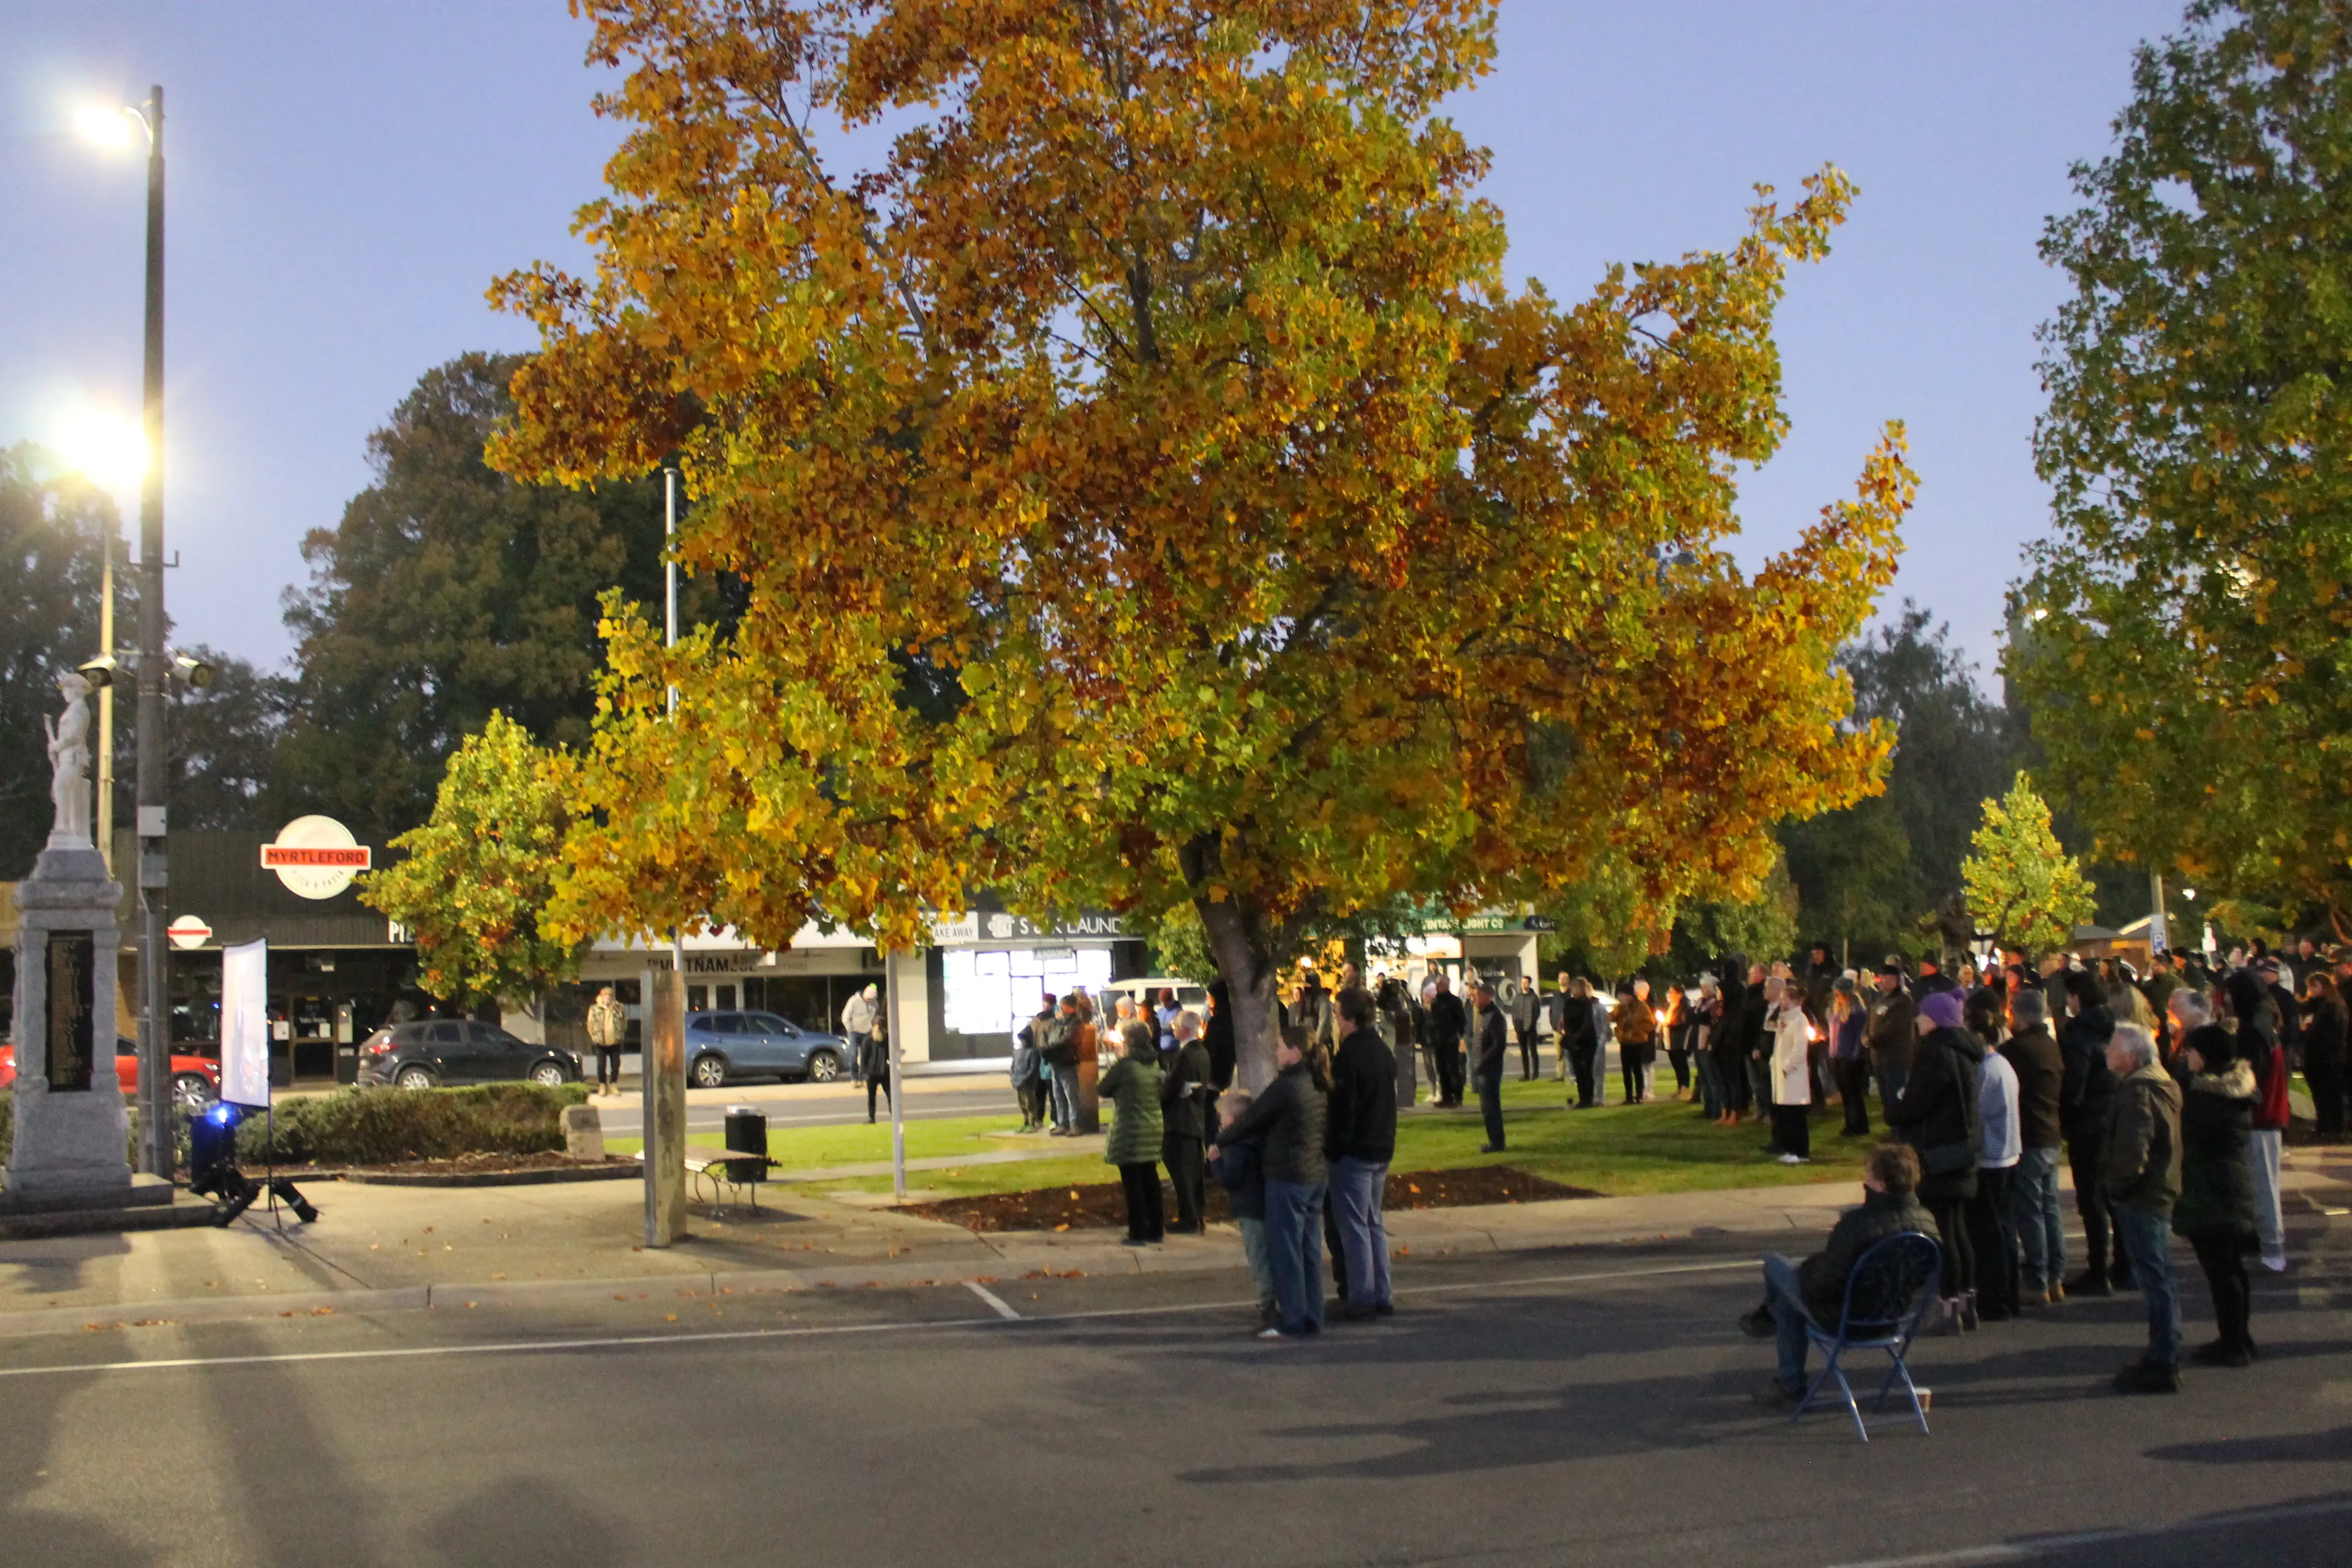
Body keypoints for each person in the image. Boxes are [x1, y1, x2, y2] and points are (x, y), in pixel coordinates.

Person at [1741, 1143, 1935, 1409]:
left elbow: (1822, 1285)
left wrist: (1805, 1271)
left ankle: (1782, 1360)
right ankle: (1774, 1324)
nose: (1864, 1181)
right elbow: (1923, 1276)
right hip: (1894, 1317)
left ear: (1880, 1184)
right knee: (1789, 1297)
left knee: (1777, 1268)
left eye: (1868, 1175)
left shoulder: (1857, 1226)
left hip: (1846, 1318)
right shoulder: (1928, 1224)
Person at [1214, 1025, 1329, 1338]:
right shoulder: (1317, 1083)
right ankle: (1312, 1316)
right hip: (1314, 1173)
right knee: (1308, 1249)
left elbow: (1251, 1120)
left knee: (1287, 1252)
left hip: (1288, 1176)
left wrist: (1221, 1142)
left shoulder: (1287, 1087)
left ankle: (1292, 1320)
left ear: (1295, 1052)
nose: (1277, 1052)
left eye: (1280, 1047)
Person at [1887, 989, 1983, 1331]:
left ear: (1936, 1020)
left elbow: (1917, 1104)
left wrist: (1895, 1109)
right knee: (1959, 1229)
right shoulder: (1967, 1053)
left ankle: (1949, 1308)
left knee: (1944, 1234)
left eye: (1923, 1015)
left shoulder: (1936, 1055)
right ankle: (1969, 1302)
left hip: (1938, 1152)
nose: (1918, 1020)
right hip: (1963, 1149)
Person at [2103, 1023, 2185, 1393]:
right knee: (2159, 1276)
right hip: (2156, 1190)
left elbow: (2134, 1151)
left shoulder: (2138, 1092)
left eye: (2114, 1048)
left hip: (2143, 1196)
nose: (2108, 1052)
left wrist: (2115, 1187)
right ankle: (2163, 1353)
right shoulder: (2157, 1084)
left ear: (2131, 1057)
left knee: (2155, 1279)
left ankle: (2164, 1360)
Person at [2172, 1021, 2259, 1366]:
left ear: (2206, 1056)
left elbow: (2189, 1134)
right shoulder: (2228, 1091)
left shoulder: (2209, 1098)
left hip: (2214, 1190)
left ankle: (2233, 1343)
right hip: (2226, 1186)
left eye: (2190, 1051)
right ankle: (2238, 1337)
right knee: (2231, 1269)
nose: (2185, 1056)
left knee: (2223, 1272)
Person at [1326, 986, 1398, 1319]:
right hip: (1381, 1146)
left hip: (1355, 1152)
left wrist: (1335, 1148)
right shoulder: (1382, 1051)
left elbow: (1344, 1111)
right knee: (1373, 1224)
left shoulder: (1349, 1057)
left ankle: (1362, 1297)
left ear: (1351, 1019)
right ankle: (1381, 1293)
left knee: (1354, 1227)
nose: (1337, 1021)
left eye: (1339, 1015)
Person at [2060, 968, 2129, 1295]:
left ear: (2077, 998)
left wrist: (2066, 1114)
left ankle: (2098, 1267)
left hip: (2088, 1120)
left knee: (2091, 1198)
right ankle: (2125, 1263)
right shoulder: (2117, 1028)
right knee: (2114, 1194)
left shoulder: (2078, 1036)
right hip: (2115, 1115)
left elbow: (2074, 1084)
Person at [2001, 987, 2068, 1305]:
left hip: (2029, 1134)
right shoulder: (2052, 1046)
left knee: (2030, 1211)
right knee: (2050, 1208)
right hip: (2051, 1133)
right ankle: (2056, 1276)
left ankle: (2038, 1279)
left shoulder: (2017, 1050)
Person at [2225, 967, 2290, 1273]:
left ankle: (2273, 1248)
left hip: (2260, 1118)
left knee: (2263, 1186)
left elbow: (2249, 1078)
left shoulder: (2253, 1031)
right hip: (2269, 1115)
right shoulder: (2266, 1021)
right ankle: (2268, 1244)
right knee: (2264, 1184)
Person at [1969, 1017, 2023, 1322]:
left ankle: (1997, 1298)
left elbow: (1978, 1111)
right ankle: (2008, 1294)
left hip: (1993, 1156)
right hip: (2006, 1153)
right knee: (2003, 1229)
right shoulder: (2002, 1065)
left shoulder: (1987, 1070)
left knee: (1992, 1233)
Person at [1210, 1089, 1278, 1329]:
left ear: (1232, 1119)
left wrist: (1215, 1162)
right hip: (1263, 1202)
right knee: (1270, 1254)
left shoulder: (1237, 1144)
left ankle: (1268, 1306)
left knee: (1258, 1256)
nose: (1219, 1119)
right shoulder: (1258, 1139)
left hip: (1249, 1206)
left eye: (1222, 1115)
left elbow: (1231, 1178)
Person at [1097, 1020, 1166, 1246]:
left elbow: (1103, 1088)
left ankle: (1137, 1231)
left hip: (1131, 1128)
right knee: (1150, 1178)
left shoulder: (1125, 1065)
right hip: (1153, 1125)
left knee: (1132, 1181)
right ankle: (1156, 1228)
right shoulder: (1155, 1062)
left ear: (1130, 1041)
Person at [1161, 1010, 1214, 1234]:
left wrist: (1164, 1089)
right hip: (1195, 1120)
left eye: (1175, 1027)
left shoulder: (1186, 1055)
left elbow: (1173, 1087)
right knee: (1193, 1173)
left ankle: (1189, 1218)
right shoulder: (1202, 1052)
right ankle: (1196, 1216)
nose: (1173, 1030)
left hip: (1182, 1121)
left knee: (1183, 1172)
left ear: (1184, 1030)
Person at [1762, 976, 1811, 1163]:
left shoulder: (1799, 1020)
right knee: (1786, 1113)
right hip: (1783, 1073)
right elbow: (1768, 1025)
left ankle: (1800, 1152)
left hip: (1792, 1074)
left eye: (1784, 999)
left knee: (1795, 1115)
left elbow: (1800, 1049)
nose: (1781, 1002)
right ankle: (1790, 1149)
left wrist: (1786, 1067)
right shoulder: (1785, 1019)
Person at [1866, 959, 1918, 1113]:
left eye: (1887, 978)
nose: (1883, 981)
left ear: (1895, 980)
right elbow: (1869, 1021)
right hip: (1878, 1057)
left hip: (1895, 1057)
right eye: (1882, 977)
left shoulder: (1903, 1001)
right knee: (1885, 1096)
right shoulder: (1879, 999)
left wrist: (1872, 1040)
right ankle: (1892, 1127)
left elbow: (1894, 1027)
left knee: (1896, 1095)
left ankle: (1900, 1131)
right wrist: (1865, 1035)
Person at [2302, 971, 2348, 1142]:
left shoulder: (2332, 1006)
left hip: (2328, 1058)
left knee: (2329, 1094)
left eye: (2312, 987)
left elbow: (2330, 1034)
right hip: (2326, 1056)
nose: (2310, 991)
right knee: (2326, 1094)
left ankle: (2332, 1128)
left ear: (2321, 986)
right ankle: (2328, 1127)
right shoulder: (2327, 1004)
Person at [1470, 980, 1509, 1152]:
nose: (1474, 999)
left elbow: (1498, 1045)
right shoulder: (1484, 1015)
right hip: (1483, 1069)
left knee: (1491, 1107)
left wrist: (1483, 1062)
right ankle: (1494, 1140)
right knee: (1487, 1107)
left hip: (1490, 1070)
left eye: (1477, 996)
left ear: (1487, 997)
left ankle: (1497, 1142)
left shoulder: (1494, 1017)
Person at [1830, 976, 1870, 1137]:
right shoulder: (1838, 1010)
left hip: (1851, 1058)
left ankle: (1860, 1125)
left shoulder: (1857, 1012)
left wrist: (1855, 1057)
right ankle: (1850, 1123)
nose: (1837, 997)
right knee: (1845, 1093)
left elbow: (1859, 1036)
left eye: (1839, 994)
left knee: (1853, 1093)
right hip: (1838, 1055)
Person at [1712, 961, 1751, 1126]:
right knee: (1726, 1080)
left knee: (1731, 1080)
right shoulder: (1740, 993)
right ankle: (1726, 1112)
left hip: (1730, 1042)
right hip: (1727, 1040)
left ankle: (1733, 1113)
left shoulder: (1733, 997)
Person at [1424, 974, 1468, 1110]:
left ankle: (1457, 1096)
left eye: (1439, 985)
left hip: (1450, 1041)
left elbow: (1461, 1021)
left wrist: (1458, 1035)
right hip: (1439, 1042)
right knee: (1441, 1069)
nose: (1437, 988)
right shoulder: (1435, 1003)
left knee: (1453, 1069)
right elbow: (1432, 1022)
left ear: (1446, 985)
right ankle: (1446, 1097)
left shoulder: (1454, 1002)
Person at [1041, 993, 1081, 1135]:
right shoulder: (1059, 1022)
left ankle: (1075, 1124)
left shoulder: (1075, 1022)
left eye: (1063, 1005)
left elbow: (1067, 1040)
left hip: (1067, 1062)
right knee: (1059, 1096)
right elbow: (1051, 1036)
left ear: (1069, 1007)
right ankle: (1063, 1123)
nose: (1061, 1008)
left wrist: (1050, 1048)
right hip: (1056, 1062)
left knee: (1071, 1095)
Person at [1560, 977, 1601, 1110]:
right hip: (1573, 1040)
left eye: (1575, 988)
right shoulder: (1569, 1003)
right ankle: (1582, 1098)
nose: (1573, 990)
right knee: (1578, 1071)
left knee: (1587, 1070)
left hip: (1587, 1041)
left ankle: (1588, 1098)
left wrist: (1578, 1036)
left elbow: (1588, 1022)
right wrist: (1570, 1037)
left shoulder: (1586, 1003)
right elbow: (1566, 1021)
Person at [1010, 999, 1049, 1133]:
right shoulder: (1018, 1052)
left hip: (1027, 1083)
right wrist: (1014, 1078)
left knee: (1030, 1104)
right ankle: (1026, 1122)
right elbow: (1013, 1066)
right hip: (1020, 1082)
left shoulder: (1033, 1052)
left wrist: (1024, 1079)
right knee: (1023, 1105)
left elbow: (1033, 1068)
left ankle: (1033, 1123)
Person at [1692, 974, 1725, 1120]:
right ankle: (1707, 1108)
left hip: (1708, 1043)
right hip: (1698, 1042)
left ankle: (1716, 1109)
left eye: (1707, 987)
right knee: (1703, 1078)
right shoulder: (1700, 1003)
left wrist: (1698, 1017)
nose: (1704, 990)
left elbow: (1704, 1018)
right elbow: (1692, 1017)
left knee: (1712, 1078)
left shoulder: (1716, 1004)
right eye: (1703, 988)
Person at [586, 987, 627, 1098]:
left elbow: (624, 1023)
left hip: (615, 1042)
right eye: (605, 996)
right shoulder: (595, 1009)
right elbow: (590, 1024)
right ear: (601, 997)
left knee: (615, 1064)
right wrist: (595, 1036)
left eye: (609, 996)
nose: (607, 998)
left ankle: (613, 1084)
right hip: (601, 1042)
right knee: (601, 1065)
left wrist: (620, 1035)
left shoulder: (619, 1008)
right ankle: (602, 1085)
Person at [841, 984, 878, 1084]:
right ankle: (854, 1078)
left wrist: (874, 1029)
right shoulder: (854, 1001)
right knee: (853, 1055)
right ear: (865, 996)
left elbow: (875, 1018)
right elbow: (846, 1016)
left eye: (872, 999)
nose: (870, 1001)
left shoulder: (875, 1004)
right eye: (869, 999)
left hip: (867, 1032)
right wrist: (849, 1028)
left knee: (866, 1055)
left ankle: (865, 1078)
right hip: (854, 1031)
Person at [862, 1005, 892, 1122]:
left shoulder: (887, 1038)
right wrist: (865, 1074)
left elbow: (891, 1054)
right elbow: (864, 1058)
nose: (879, 1029)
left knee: (891, 1096)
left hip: (884, 1072)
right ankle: (871, 1118)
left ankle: (894, 1116)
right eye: (877, 1026)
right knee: (871, 1097)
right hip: (872, 1073)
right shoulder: (868, 1041)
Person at [1511, 977, 1542, 1082]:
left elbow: (1537, 1013)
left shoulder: (1534, 998)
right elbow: (1514, 1013)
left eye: (1526, 983)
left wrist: (1530, 1025)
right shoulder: (1518, 998)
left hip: (1531, 1030)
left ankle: (1536, 1074)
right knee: (1523, 1052)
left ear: (1529, 984)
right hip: (1520, 1029)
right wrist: (1516, 1028)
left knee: (1533, 1052)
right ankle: (1526, 1074)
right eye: (1522, 983)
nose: (1524, 985)